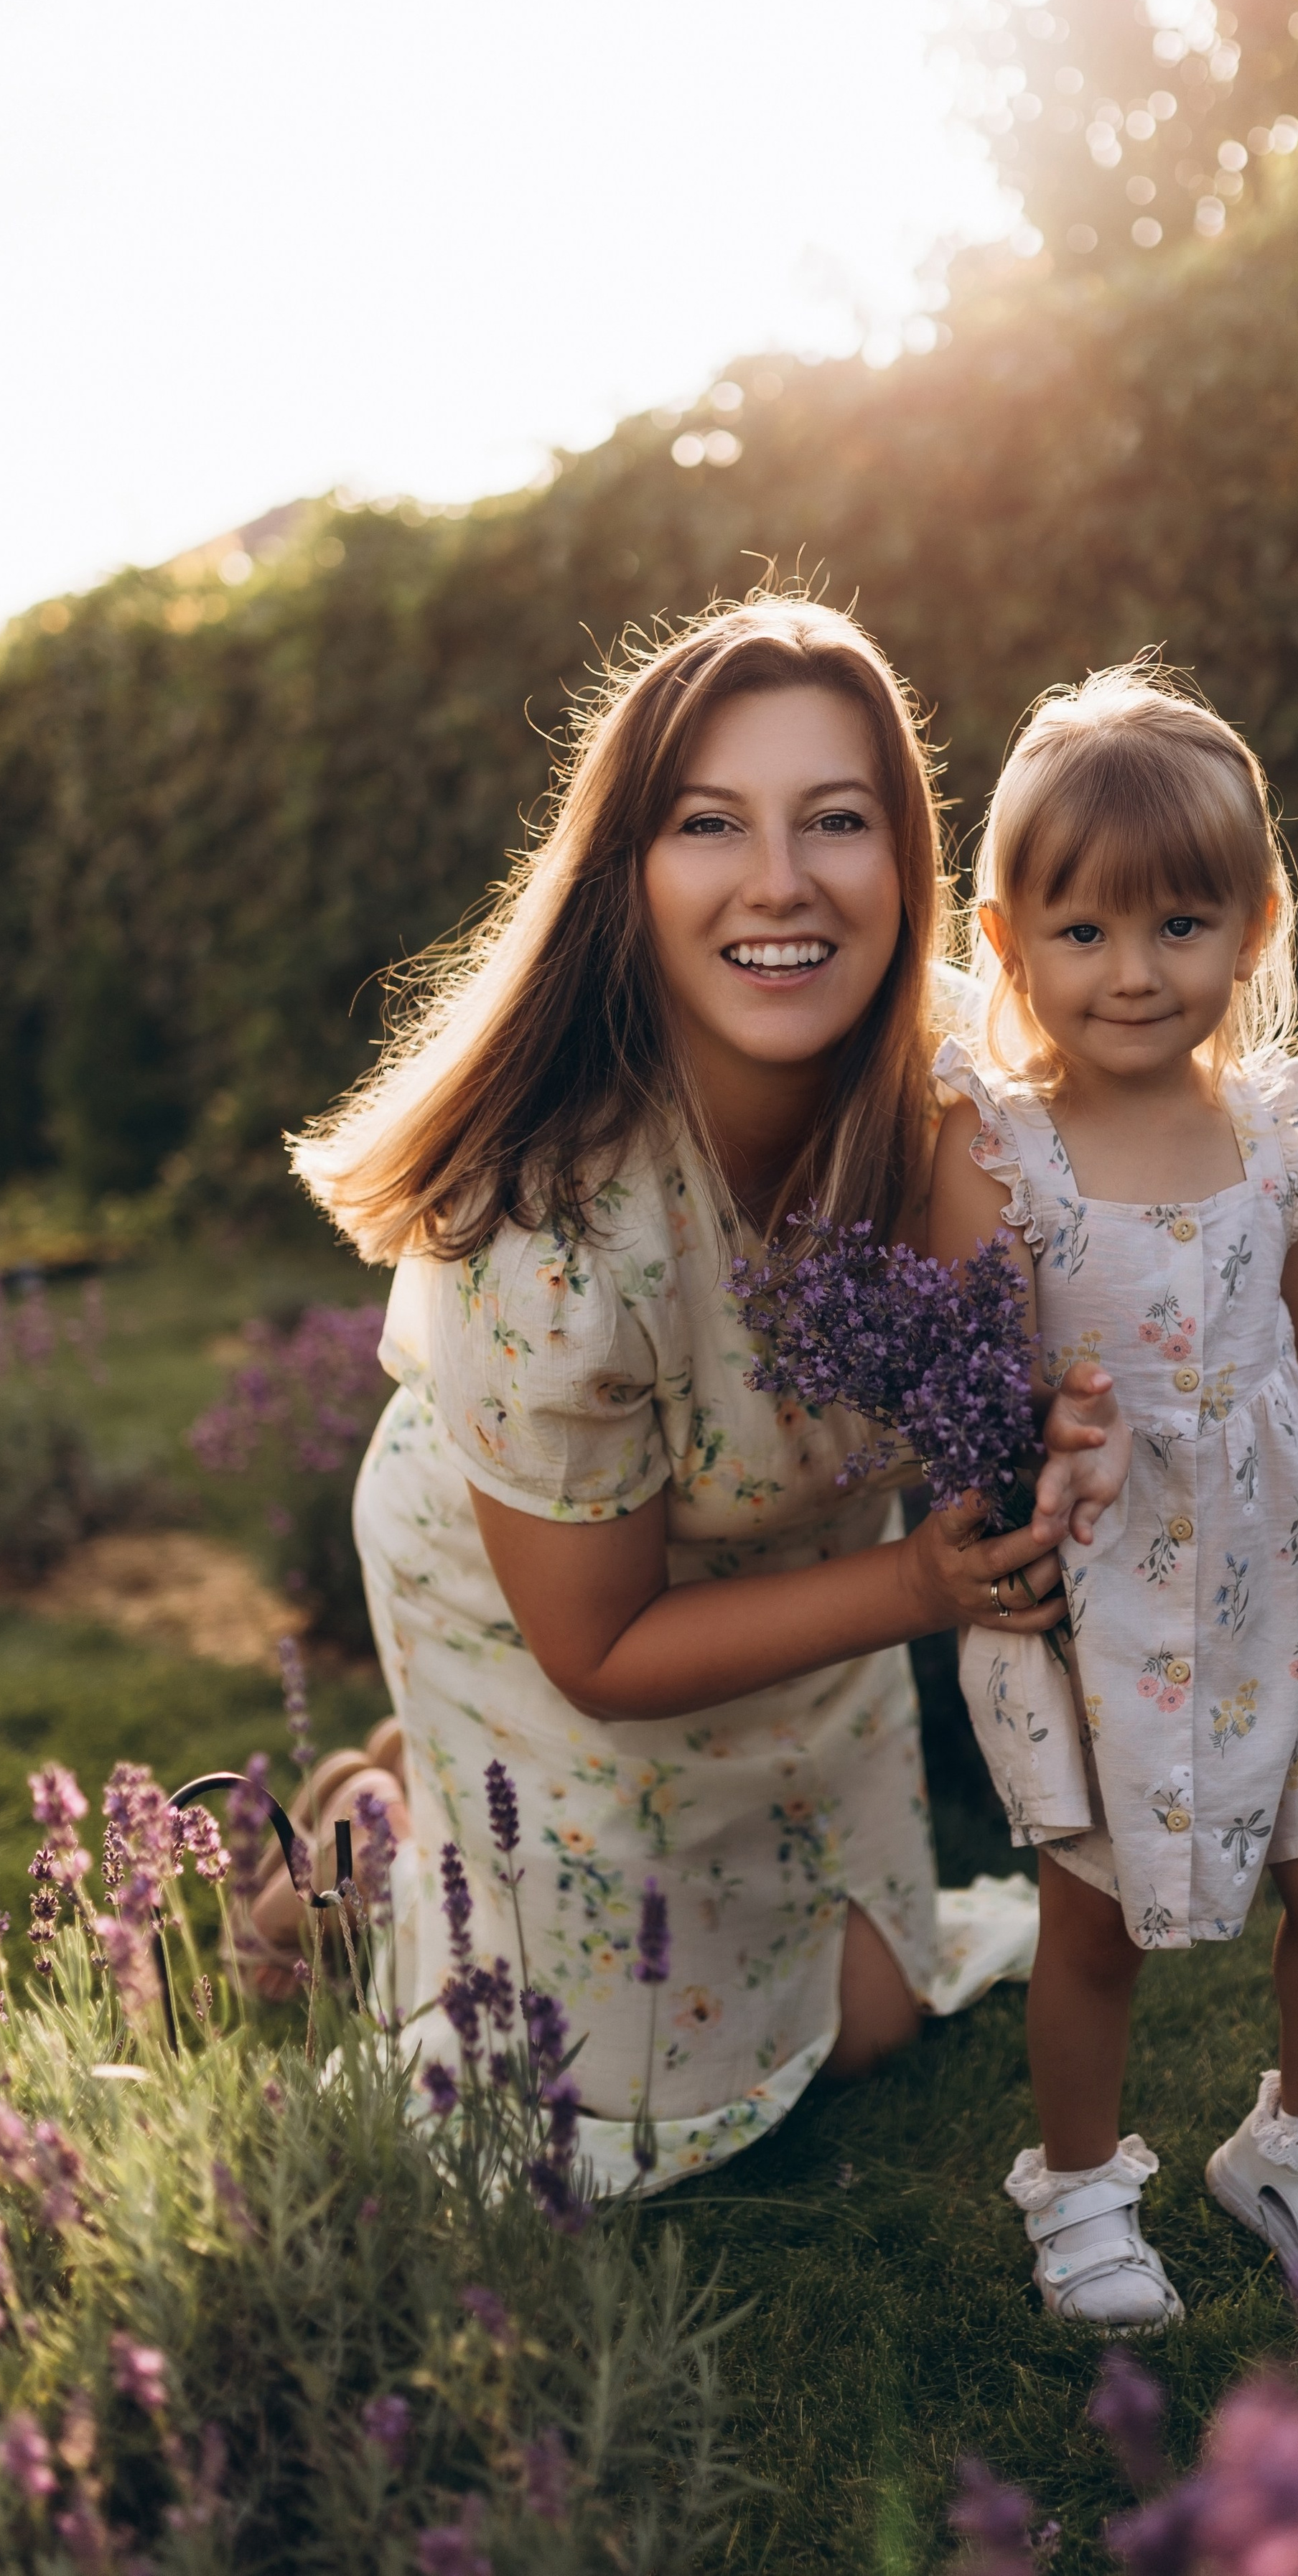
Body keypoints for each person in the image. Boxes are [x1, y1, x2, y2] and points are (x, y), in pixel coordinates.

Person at [287, 597, 1097, 2193]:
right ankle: (382, 1826)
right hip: (542, 1617)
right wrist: (924, 1585)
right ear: (630, 877)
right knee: (626, 2116)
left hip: (805, 1584)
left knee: (865, 2026)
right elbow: (596, 1647)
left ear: (905, 862)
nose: (779, 880)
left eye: (836, 822)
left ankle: (393, 1786)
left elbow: (1061, 1324)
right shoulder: (553, 1234)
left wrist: (1076, 1424)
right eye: (709, 824)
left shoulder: (966, 1084)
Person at [927, 663, 1298, 2331]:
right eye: (1083, 932)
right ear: (1007, 934)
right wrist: (1030, 1433)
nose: (1131, 972)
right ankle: (1082, 2190)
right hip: (1101, 1596)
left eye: (1178, 924)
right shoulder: (1001, 1151)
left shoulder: (1267, 1132)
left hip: (1265, 1577)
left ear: (1254, 925)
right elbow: (956, 1383)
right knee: (1097, 1920)